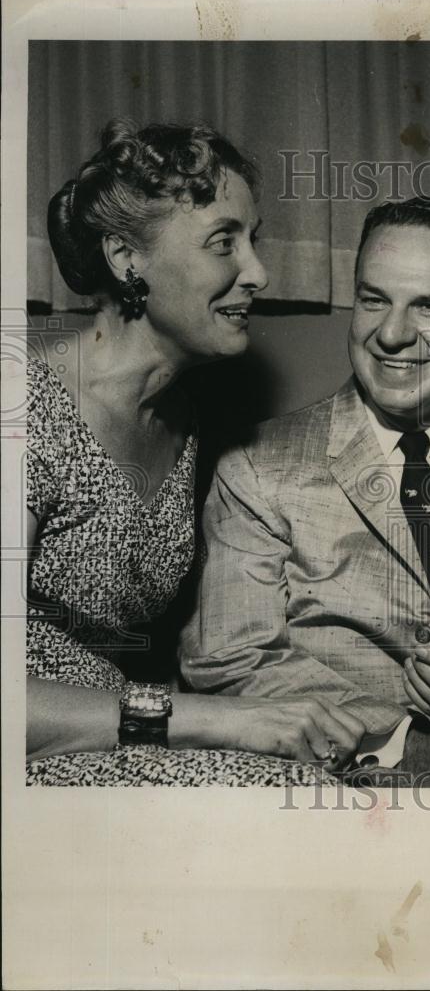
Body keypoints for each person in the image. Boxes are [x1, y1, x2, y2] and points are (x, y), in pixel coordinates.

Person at [179, 195, 430, 783]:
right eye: (373, 299)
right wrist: (401, 740)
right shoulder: (255, 466)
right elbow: (228, 658)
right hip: (331, 795)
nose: (391, 333)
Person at [25, 119, 365, 785]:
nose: (258, 273)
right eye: (223, 243)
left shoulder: (183, 416)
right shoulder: (23, 408)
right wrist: (218, 720)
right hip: (32, 741)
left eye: (254, 240)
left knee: (326, 784)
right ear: (128, 260)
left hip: (113, 728)